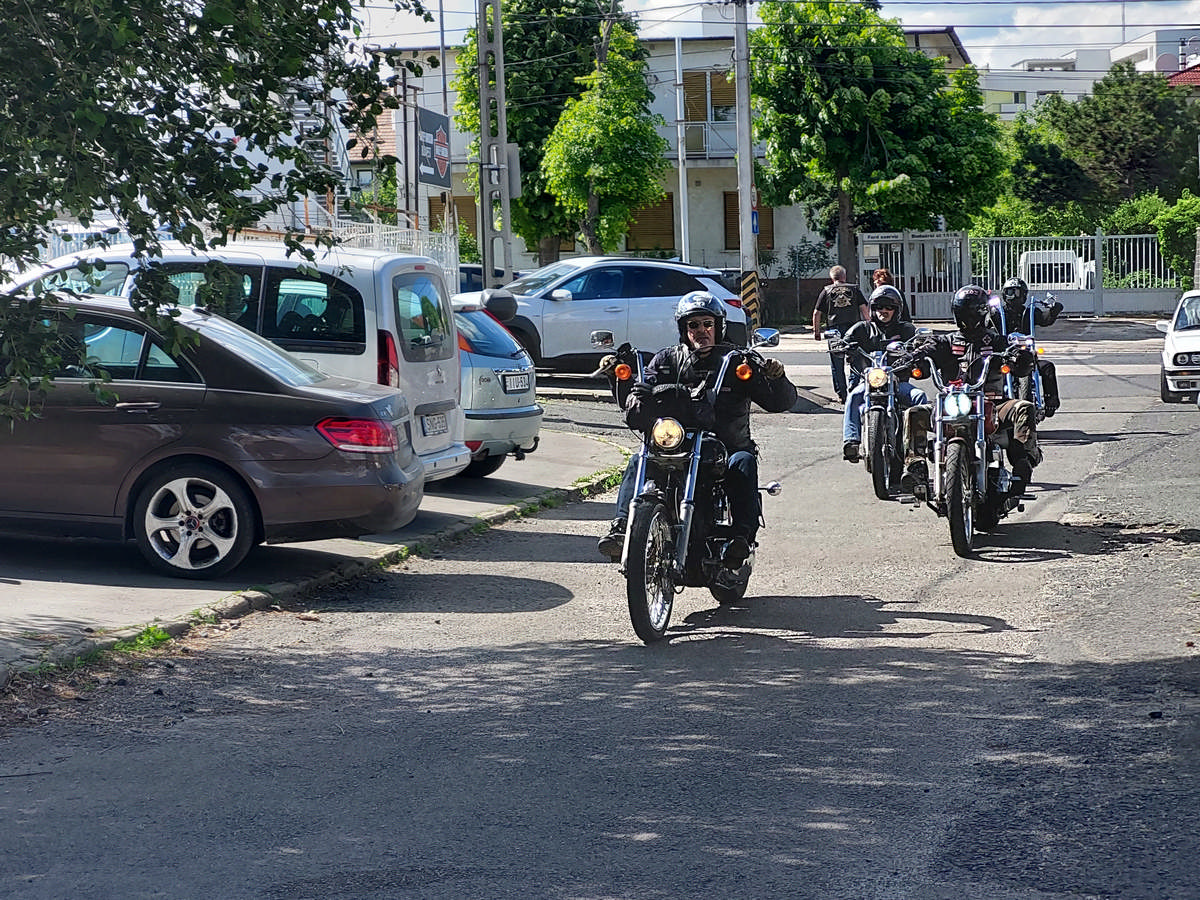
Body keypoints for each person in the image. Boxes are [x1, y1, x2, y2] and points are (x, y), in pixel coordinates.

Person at [598, 291, 798, 564]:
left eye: (707, 324)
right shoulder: (667, 360)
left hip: (726, 446)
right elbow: (635, 404)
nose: (701, 331)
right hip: (676, 442)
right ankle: (622, 528)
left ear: (719, 326)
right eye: (694, 325)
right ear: (684, 329)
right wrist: (632, 389)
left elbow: (779, 402)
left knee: (743, 463)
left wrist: (778, 377)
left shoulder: (737, 361)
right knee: (639, 459)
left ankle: (741, 538)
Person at [901, 285, 1042, 497]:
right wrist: (912, 357)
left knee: (1023, 408)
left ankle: (1024, 464)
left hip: (993, 404)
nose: (967, 319)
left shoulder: (996, 341)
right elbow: (927, 350)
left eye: (971, 313)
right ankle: (916, 468)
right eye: (963, 313)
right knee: (914, 413)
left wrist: (1019, 357)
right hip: (951, 404)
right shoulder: (945, 341)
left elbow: (1020, 360)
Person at [840, 286, 927, 463]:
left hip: (898, 381)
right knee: (854, 396)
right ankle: (851, 441)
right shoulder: (862, 328)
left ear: (897, 310)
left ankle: (918, 446)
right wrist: (842, 346)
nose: (884, 311)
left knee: (920, 397)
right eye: (880, 307)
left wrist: (918, 347)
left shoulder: (906, 329)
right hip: (870, 382)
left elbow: (918, 344)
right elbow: (845, 341)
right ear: (873, 308)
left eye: (889, 307)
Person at [996, 276, 1062, 417]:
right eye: (1010, 292)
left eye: (1017, 292)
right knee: (990, 371)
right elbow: (987, 325)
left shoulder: (1029, 312)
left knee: (1047, 367)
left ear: (1024, 295)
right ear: (1004, 294)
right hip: (1004, 356)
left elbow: (1045, 319)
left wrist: (1053, 311)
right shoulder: (998, 313)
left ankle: (1051, 402)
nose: (1014, 296)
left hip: (1027, 355)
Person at [812, 265, 868, 403]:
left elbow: (816, 313)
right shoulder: (854, 289)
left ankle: (842, 394)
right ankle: (853, 388)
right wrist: (869, 324)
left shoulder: (826, 290)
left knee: (837, 363)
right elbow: (864, 309)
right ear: (844, 276)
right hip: (854, 329)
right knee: (856, 359)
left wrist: (816, 331)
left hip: (834, 331)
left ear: (832, 278)